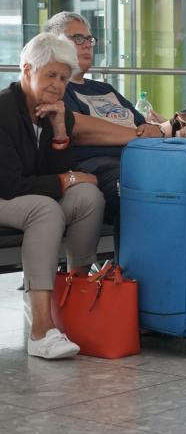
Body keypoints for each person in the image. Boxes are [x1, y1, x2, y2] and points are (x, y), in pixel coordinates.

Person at [0, 33, 105, 359]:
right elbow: (11, 185)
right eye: (50, 75)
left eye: (63, 78)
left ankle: (73, 305)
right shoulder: (2, 109)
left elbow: (54, 173)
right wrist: (66, 178)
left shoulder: (56, 112)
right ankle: (41, 329)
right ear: (27, 69)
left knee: (88, 195)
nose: (58, 85)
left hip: (26, 194)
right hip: (6, 193)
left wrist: (60, 132)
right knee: (46, 209)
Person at [43, 12, 162, 228]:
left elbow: (142, 124)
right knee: (143, 190)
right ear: (53, 44)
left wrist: (154, 132)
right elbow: (77, 127)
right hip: (98, 167)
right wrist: (139, 136)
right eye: (77, 38)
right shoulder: (56, 89)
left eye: (89, 39)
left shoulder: (105, 89)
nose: (87, 45)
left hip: (140, 158)